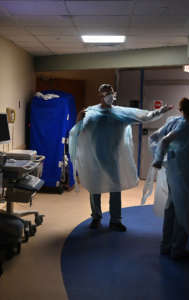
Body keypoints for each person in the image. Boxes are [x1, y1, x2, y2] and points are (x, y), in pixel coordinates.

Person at [69, 83, 172, 232]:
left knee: (115, 189)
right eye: (107, 93)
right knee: (95, 189)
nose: (110, 95)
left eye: (112, 92)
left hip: (113, 158)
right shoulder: (90, 113)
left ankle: (115, 221)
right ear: (100, 95)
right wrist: (79, 118)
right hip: (95, 158)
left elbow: (144, 116)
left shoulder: (120, 113)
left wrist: (161, 110)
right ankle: (96, 217)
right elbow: (77, 131)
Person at [149, 98, 189, 259]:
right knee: (183, 211)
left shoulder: (174, 121)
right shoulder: (184, 126)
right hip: (182, 174)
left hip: (173, 172)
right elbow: (164, 140)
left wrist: (163, 157)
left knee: (171, 209)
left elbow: (156, 136)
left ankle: (166, 246)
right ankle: (178, 250)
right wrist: (158, 159)